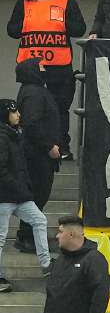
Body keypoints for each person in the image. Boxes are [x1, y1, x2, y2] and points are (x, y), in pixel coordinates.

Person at [7, 0, 85, 161]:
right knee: (31, 111)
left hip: (59, 67)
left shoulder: (66, 1)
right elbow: (12, 30)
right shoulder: (24, 2)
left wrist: (60, 23)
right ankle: (33, 148)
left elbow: (79, 29)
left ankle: (62, 147)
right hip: (31, 69)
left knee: (59, 110)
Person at [40, 215, 109, 313]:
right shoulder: (60, 260)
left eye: (60, 232)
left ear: (71, 234)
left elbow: (101, 293)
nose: (57, 236)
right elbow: (52, 293)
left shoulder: (94, 259)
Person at [0, 99, 52, 292]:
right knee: (0, 237)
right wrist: (19, 187)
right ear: (5, 115)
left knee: (39, 220)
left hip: (18, 195)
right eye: (13, 112)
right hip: (5, 196)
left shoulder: (13, 135)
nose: (18, 115)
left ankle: (46, 265)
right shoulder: (3, 137)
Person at [13, 59, 59, 255]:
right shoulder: (34, 92)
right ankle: (26, 237)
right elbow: (32, 123)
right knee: (37, 194)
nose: (45, 69)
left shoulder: (31, 91)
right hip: (37, 155)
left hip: (35, 153)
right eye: (41, 67)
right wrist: (48, 146)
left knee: (36, 195)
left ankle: (27, 236)